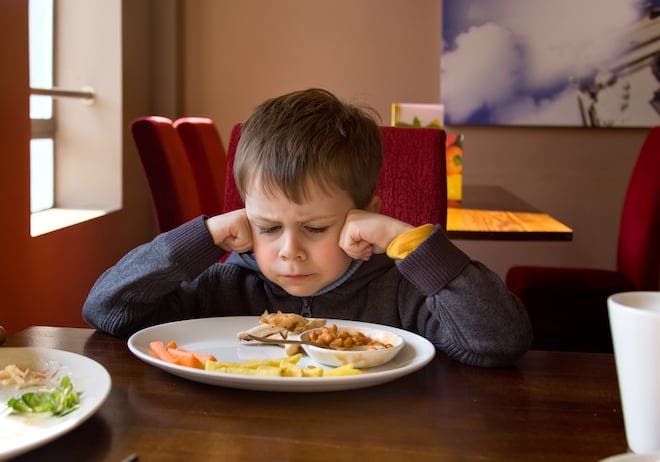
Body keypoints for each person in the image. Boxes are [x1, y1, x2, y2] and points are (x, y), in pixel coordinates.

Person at [83, 88, 531, 367]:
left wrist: (405, 242)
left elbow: (500, 342)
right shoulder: (227, 286)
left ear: (365, 218)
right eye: (268, 227)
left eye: (315, 228)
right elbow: (108, 310)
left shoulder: (402, 292)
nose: (288, 251)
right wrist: (202, 238)